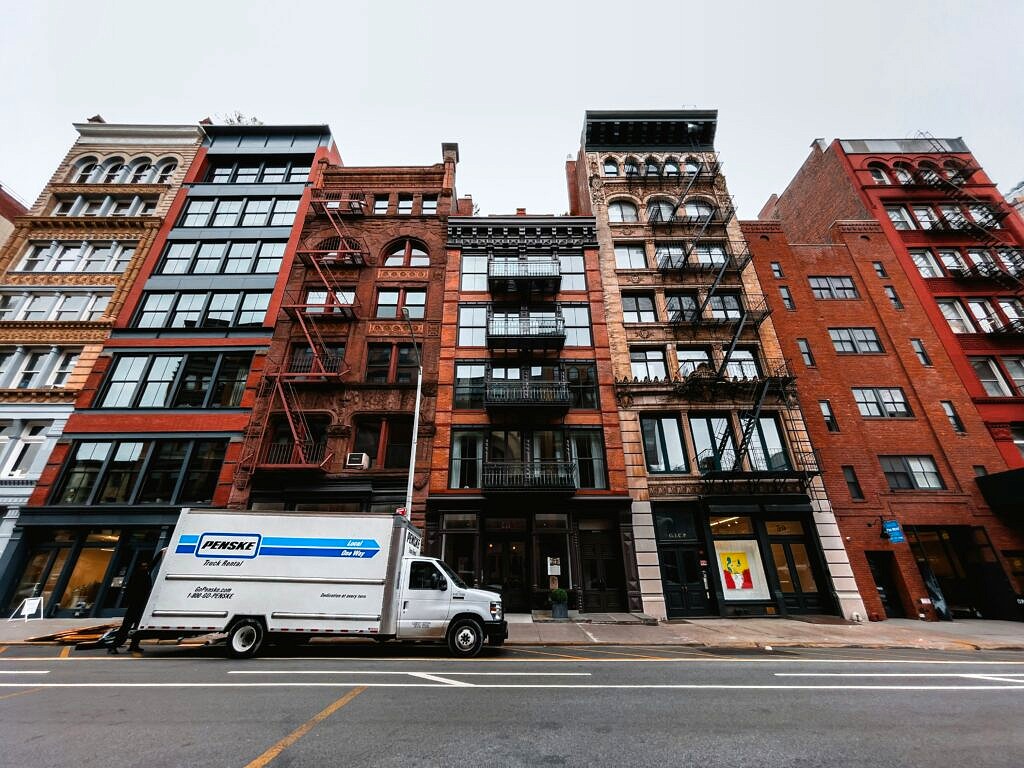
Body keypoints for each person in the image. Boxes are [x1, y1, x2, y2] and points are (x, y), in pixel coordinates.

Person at [106, 559, 153, 654]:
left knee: (137, 627)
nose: (144, 568)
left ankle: (134, 645)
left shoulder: (144, 576)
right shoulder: (137, 576)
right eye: (143, 566)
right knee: (126, 627)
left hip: (140, 605)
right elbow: (132, 591)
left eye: (146, 566)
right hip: (135, 606)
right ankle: (114, 646)